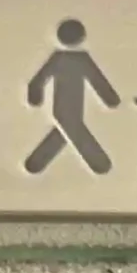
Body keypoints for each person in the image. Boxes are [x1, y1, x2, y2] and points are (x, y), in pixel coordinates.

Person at [25, 22, 119, 176]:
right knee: (73, 129)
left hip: (71, 105)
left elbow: (96, 79)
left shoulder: (75, 60)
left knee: (66, 131)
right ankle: (99, 163)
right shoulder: (64, 59)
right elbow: (40, 78)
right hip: (66, 105)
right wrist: (109, 98)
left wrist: (109, 98)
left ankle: (36, 162)